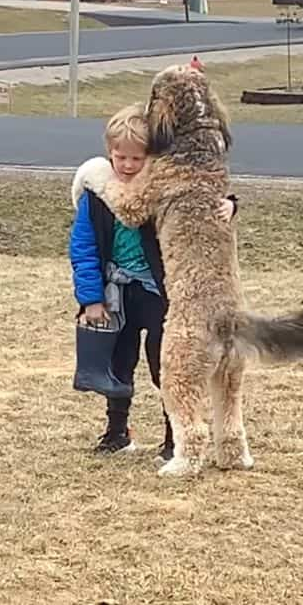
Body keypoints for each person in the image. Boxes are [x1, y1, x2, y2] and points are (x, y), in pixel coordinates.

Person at [69, 103, 239, 460]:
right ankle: (117, 431)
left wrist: (229, 205)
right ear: (109, 154)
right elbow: (83, 247)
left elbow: (199, 202)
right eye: (121, 158)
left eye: (137, 159)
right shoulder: (96, 195)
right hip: (118, 293)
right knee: (117, 363)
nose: (129, 166)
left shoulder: (163, 191)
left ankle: (172, 438)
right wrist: (91, 298)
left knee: (167, 367)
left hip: (161, 294)